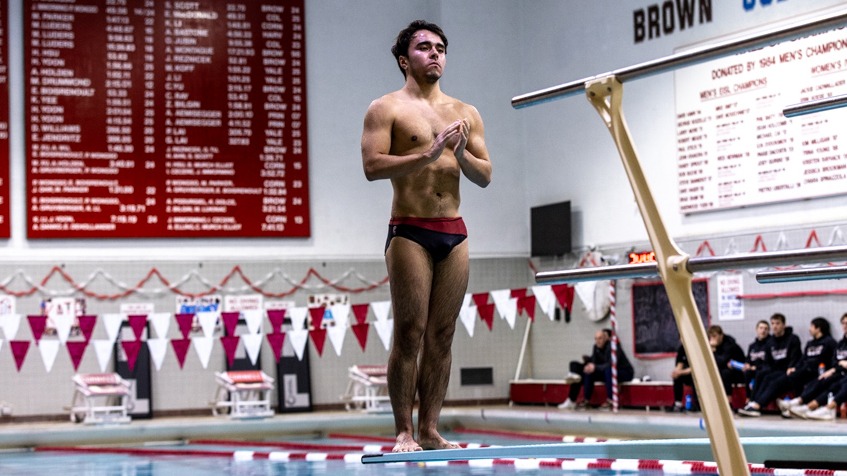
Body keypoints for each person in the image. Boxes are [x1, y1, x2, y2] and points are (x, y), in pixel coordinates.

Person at [361, 20, 492, 453]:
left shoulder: (466, 113)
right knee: (410, 332)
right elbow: (372, 167)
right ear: (404, 59)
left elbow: (486, 176)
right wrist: (427, 153)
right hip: (410, 230)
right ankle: (403, 431)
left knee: (442, 334)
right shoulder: (387, 108)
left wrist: (458, 153)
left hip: (454, 230)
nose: (434, 54)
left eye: (440, 48)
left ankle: (431, 428)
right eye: (423, 47)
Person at [739, 316, 837, 417]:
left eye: (811, 326)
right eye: (773, 324)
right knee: (765, 376)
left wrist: (792, 366)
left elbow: (834, 358)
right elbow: (802, 359)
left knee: (777, 381)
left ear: (818, 328)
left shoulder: (829, 342)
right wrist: (796, 368)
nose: (809, 329)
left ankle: (760, 405)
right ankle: (754, 402)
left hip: (816, 371)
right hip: (802, 370)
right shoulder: (810, 343)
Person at [786, 312, 847, 420]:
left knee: (843, 383)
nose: (845, 326)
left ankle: (827, 409)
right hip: (840, 372)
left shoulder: (829, 341)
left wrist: (841, 364)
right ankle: (805, 406)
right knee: (823, 380)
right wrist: (838, 366)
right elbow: (835, 361)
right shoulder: (841, 343)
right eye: (843, 323)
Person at [558, 329, 635, 410]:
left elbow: (611, 364)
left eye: (600, 338)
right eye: (596, 339)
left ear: (606, 338)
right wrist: (589, 365)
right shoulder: (595, 347)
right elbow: (594, 363)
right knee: (589, 372)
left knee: (609, 370)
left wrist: (595, 367)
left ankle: (611, 401)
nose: (598, 341)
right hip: (607, 372)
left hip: (625, 372)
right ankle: (586, 401)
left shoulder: (613, 347)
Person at [747, 313, 802, 406]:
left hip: (788, 370)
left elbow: (796, 357)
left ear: (783, 325)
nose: (775, 326)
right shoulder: (770, 342)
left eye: (777, 323)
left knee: (772, 381)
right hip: (775, 370)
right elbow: (768, 361)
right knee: (761, 375)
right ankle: (752, 401)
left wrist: (792, 367)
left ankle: (758, 404)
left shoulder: (793, 339)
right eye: (772, 324)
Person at [708, 325, 746, 400]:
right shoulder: (716, 345)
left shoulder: (729, 345)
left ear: (721, 335)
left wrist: (713, 350)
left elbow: (722, 361)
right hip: (726, 367)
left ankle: (728, 399)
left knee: (725, 373)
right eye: (711, 337)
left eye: (714, 336)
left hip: (739, 369)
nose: (712, 339)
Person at [742, 320, 771, 399]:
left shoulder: (771, 344)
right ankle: (748, 398)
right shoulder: (752, 346)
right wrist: (747, 364)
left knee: (759, 373)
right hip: (752, 370)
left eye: (766, 329)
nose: (763, 331)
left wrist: (756, 367)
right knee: (746, 372)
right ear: (757, 330)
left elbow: (770, 361)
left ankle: (755, 400)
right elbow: (748, 359)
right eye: (761, 328)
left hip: (764, 369)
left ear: (768, 331)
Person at [666, 341, 697, 412]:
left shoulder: (696, 348)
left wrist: (680, 372)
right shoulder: (682, 348)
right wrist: (676, 372)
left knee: (696, 379)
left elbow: (695, 368)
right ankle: (678, 404)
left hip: (698, 374)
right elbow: (680, 363)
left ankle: (697, 404)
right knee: (677, 377)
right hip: (686, 373)